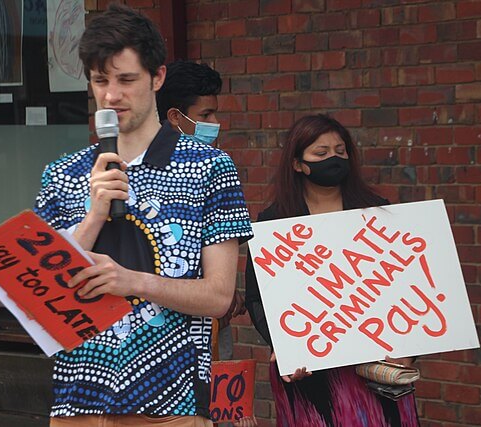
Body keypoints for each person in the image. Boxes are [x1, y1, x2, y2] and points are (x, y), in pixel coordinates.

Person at [34, 5, 253, 426]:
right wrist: (93, 217)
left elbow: (218, 296)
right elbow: (42, 293)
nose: (111, 95)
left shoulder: (209, 167)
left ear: (157, 77)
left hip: (170, 405)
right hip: (76, 402)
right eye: (101, 81)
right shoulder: (63, 173)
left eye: (126, 80)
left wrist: (131, 280)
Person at [244, 114, 420, 427]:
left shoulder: (378, 213)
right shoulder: (274, 223)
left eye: (340, 151)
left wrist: (409, 350)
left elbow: (406, 289)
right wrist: (284, 347)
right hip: (311, 378)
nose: (334, 159)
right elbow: (257, 298)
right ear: (297, 163)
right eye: (321, 153)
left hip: (375, 369)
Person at [156, 60, 256, 427]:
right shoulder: (126, 173)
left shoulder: (215, 168)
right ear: (174, 117)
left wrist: (225, 285)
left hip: (212, 332)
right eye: (207, 113)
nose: (216, 123)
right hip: (159, 348)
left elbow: (219, 275)